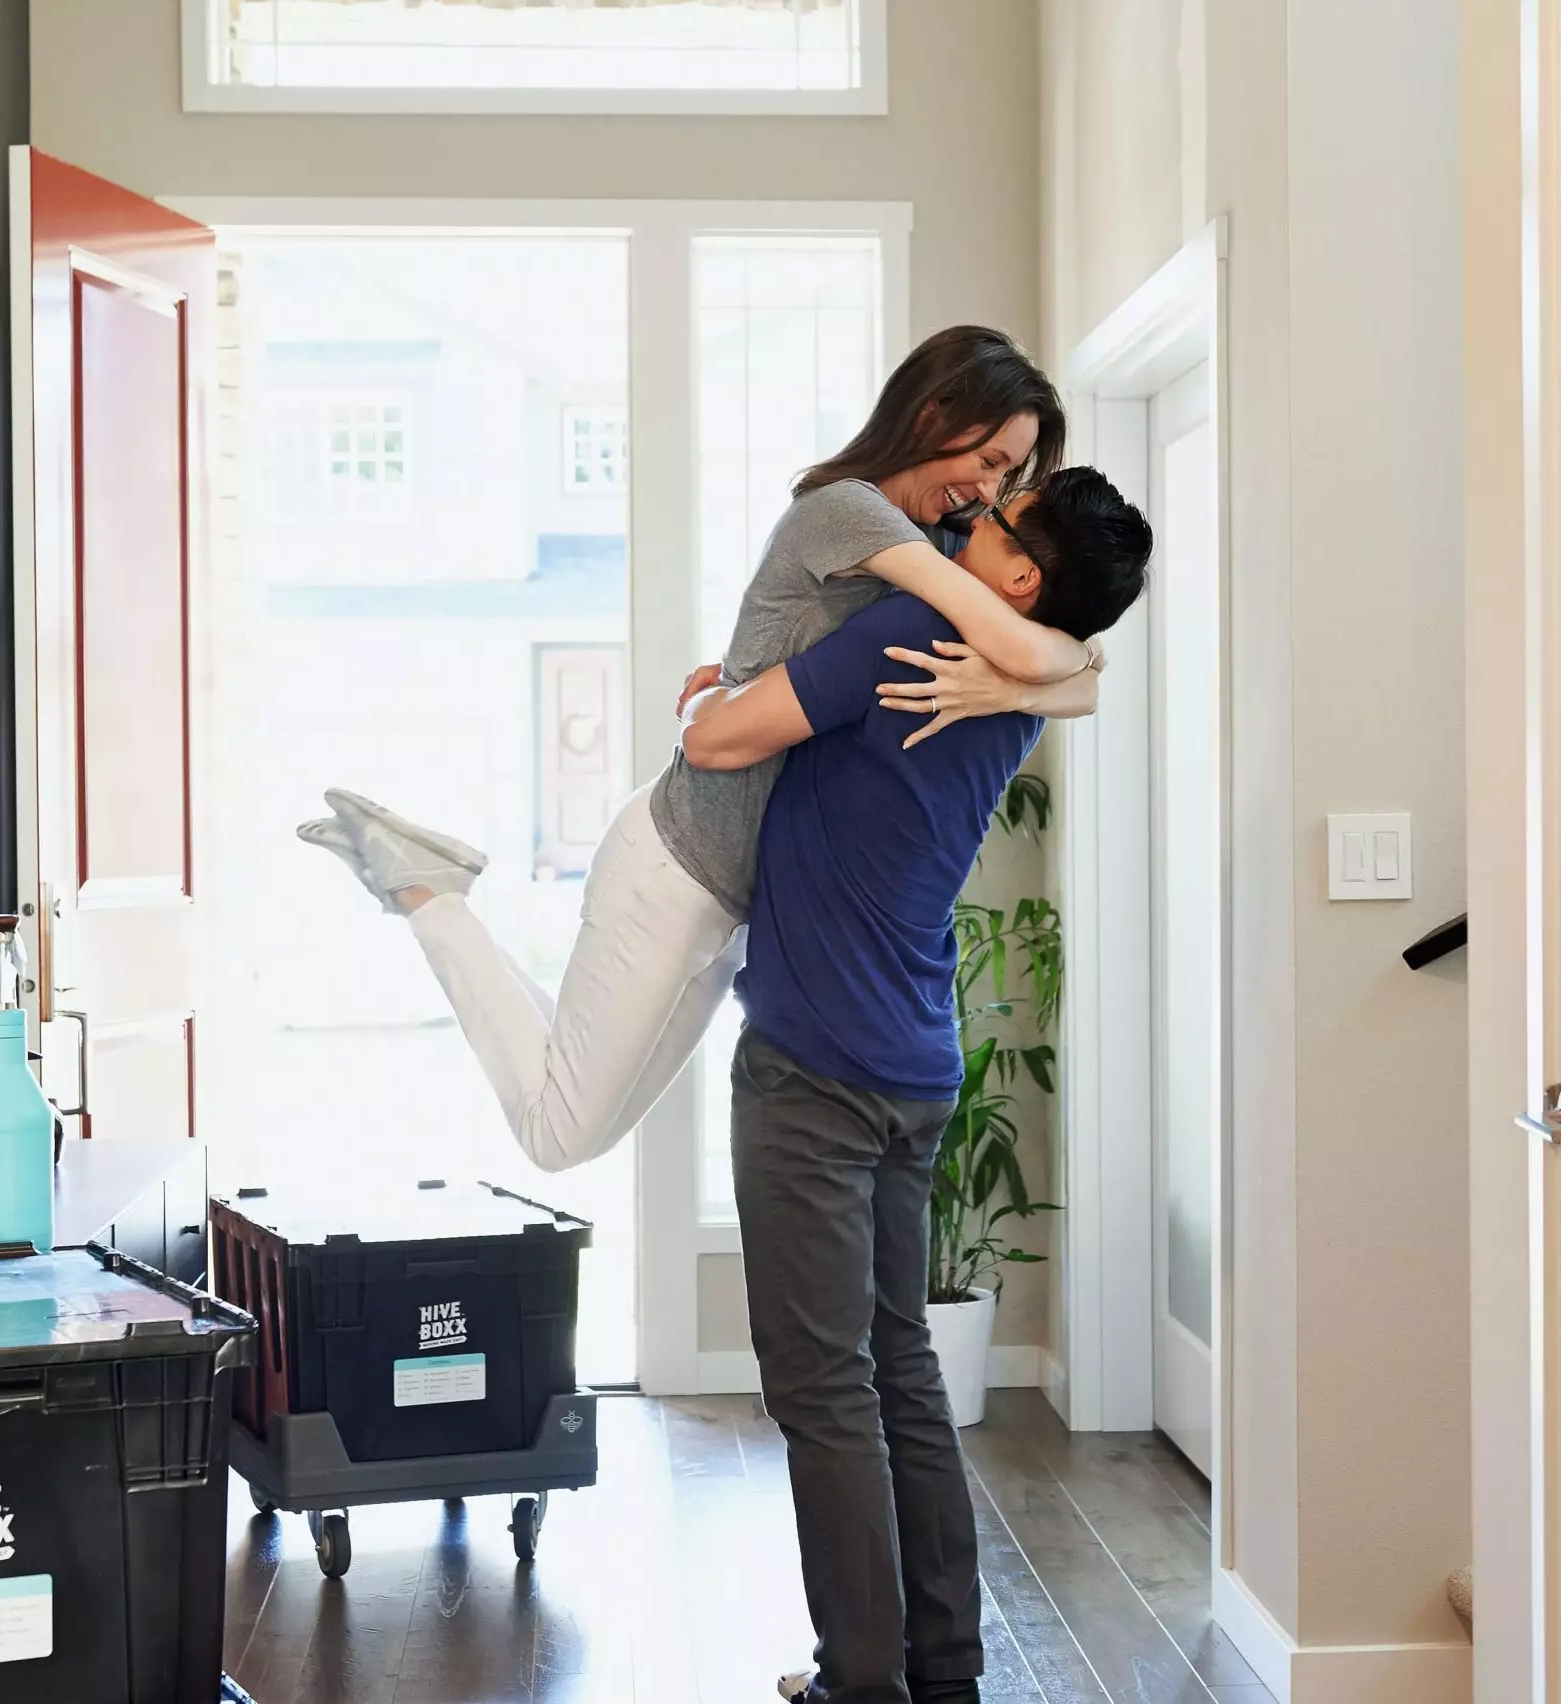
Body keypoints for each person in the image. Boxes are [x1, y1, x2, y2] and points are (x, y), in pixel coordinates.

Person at [299, 327, 1108, 1172]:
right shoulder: (848, 512)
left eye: (1006, 476)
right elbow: (1029, 641)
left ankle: (430, 882)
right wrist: (1025, 671)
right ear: (936, 411)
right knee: (555, 1135)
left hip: (732, 907)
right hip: (677, 864)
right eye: (989, 460)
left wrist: (1017, 686)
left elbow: (1086, 673)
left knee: (581, 1121)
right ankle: (429, 891)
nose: (987, 489)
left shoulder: (943, 538)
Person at [679, 466, 1152, 1704]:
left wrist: (708, 705)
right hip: (911, 1061)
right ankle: (942, 1671)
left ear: (1018, 577)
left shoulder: (916, 630)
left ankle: (861, 1685)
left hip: (813, 1067)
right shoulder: (1033, 681)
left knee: (824, 1388)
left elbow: (722, 737)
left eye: (989, 521)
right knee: (896, 1372)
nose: (962, 523)